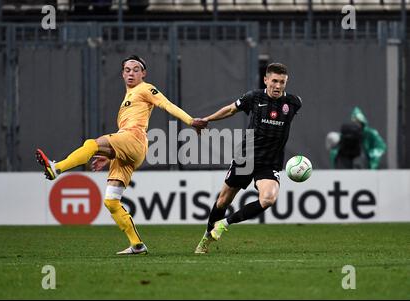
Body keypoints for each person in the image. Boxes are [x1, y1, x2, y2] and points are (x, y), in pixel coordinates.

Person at [36, 55, 207, 255]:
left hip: (134, 139)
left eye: (136, 69)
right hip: (127, 148)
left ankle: (57, 168)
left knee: (91, 144)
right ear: (122, 74)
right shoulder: (128, 98)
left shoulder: (145, 89)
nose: (131, 73)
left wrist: (190, 121)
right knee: (111, 200)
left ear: (144, 73)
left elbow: (166, 104)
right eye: (127, 70)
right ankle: (137, 244)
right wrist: (108, 156)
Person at [194, 62, 302, 254]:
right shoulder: (254, 97)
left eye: (282, 82)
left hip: (270, 163)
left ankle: (224, 223)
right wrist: (207, 119)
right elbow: (230, 109)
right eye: (274, 81)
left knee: (268, 199)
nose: (278, 86)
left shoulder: (294, 103)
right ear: (266, 80)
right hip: (246, 158)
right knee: (222, 201)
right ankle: (206, 238)